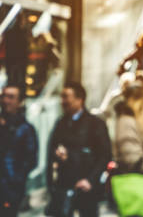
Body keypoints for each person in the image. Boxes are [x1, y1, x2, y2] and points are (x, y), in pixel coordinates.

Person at [46, 83, 112, 217]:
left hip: (87, 187)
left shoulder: (95, 124)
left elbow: (105, 155)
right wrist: (51, 184)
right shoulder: (61, 123)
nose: (62, 101)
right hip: (64, 186)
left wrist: (90, 180)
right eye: (62, 97)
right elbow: (51, 153)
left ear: (79, 99)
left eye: (66, 97)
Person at [0, 84, 38, 217]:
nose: (5, 101)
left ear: (20, 102)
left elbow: (31, 159)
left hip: (10, 189)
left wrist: (16, 179)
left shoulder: (25, 129)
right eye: (3, 96)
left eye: (11, 97)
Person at [4, 12, 29, 87]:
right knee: (18, 80)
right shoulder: (21, 33)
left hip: (12, 60)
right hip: (17, 60)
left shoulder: (10, 32)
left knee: (12, 80)